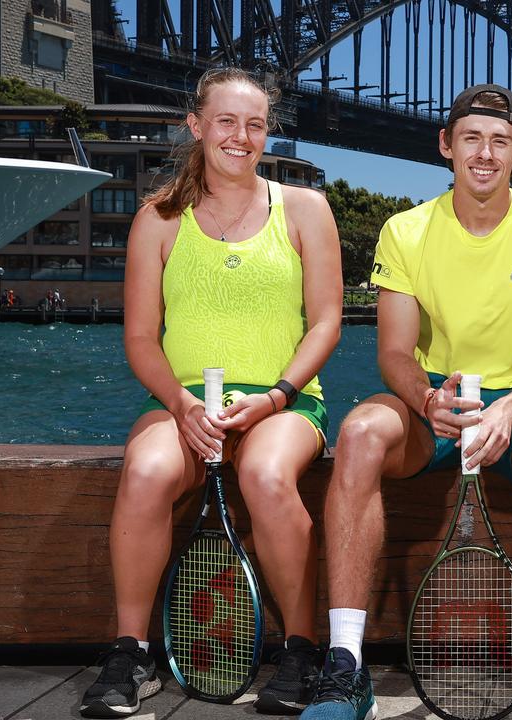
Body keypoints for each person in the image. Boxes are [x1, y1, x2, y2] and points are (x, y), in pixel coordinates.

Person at [300, 84, 512, 720]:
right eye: (471, 138)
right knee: (358, 433)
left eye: (500, 142)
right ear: (446, 146)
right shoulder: (405, 231)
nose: (485, 153)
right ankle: (345, 663)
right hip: (434, 404)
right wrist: (425, 397)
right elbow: (393, 353)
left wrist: (508, 409)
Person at [79, 66, 342, 718]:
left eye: (255, 124)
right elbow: (141, 340)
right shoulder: (158, 218)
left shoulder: (305, 209)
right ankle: (131, 652)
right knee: (144, 470)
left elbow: (329, 319)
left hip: (284, 399)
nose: (241, 136)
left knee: (269, 475)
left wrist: (278, 396)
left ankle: (302, 648)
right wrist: (182, 405)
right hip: (184, 402)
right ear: (196, 125)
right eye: (226, 121)